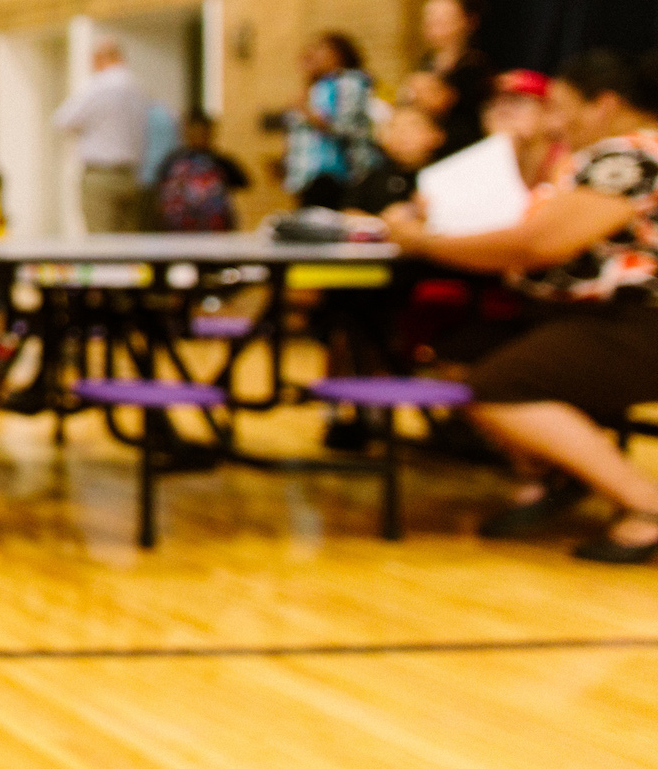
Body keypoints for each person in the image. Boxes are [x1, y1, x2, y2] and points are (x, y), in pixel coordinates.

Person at [385, 48, 658, 563]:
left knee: (497, 388)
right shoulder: (605, 156)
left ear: (604, 105)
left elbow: (539, 245)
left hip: (636, 323)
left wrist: (421, 241)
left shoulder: (631, 157)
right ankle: (558, 471)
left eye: (561, 108)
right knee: (461, 351)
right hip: (586, 316)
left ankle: (646, 504)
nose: (554, 124)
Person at [52, 40, 148, 231]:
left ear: (100, 59)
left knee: (101, 240)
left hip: (101, 175)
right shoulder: (136, 87)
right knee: (128, 240)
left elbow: (62, 120)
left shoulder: (99, 86)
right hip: (130, 175)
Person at [279, 31, 378, 208]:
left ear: (338, 55)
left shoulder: (349, 82)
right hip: (309, 174)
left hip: (336, 174)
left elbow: (344, 126)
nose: (315, 56)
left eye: (321, 50)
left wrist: (307, 112)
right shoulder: (319, 86)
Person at [416, 0, 495, 155]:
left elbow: (441, 102)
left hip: (465, 147)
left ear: (468, 21)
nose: (434, 25)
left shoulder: (474, 65)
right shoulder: (425, 62)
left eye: (444, 19)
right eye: (430, 19)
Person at [151, 110, 251, 232]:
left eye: (202, 133)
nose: (198, 138)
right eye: (194, 133)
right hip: (178, 232)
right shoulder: (173, 161)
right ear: (186, 133)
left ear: (211, 133)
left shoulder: (220, 161)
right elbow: (159, 189)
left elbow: (244, 181)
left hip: (216, 231)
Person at [346, 101, 445, 216]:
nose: (401, 134)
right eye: (393, 126)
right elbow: (348, 213)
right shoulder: (372, 177)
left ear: (437, 135)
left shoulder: (447, 177)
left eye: (413, 126)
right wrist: (383, 221)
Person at [487, 69, 569, 189]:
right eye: (497, 102)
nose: (503, 111)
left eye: (517, 102)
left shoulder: (565, 162)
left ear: (550, 113)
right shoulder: (484, 161)